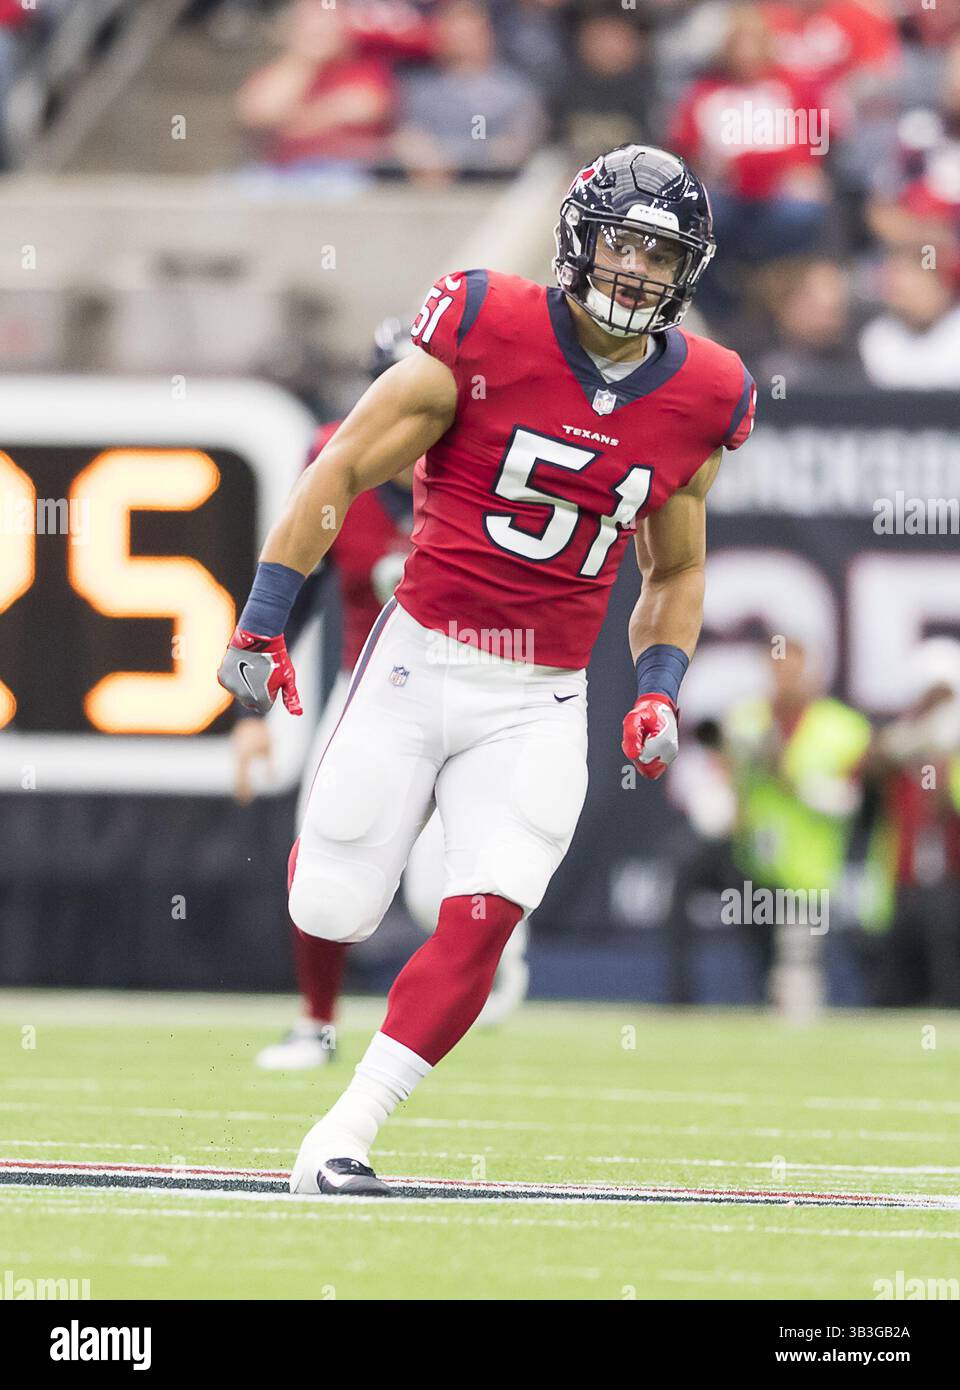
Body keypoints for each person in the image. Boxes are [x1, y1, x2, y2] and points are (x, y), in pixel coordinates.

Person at [219, 143, 757, 1196]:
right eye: (621, 244)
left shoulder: (707, 391)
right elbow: (340, 466)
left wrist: (657, 685)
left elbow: (678, 567)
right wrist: (259, 629)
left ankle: (344, 1134)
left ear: (688, 268)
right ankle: (385, 862)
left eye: (662, 255)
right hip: (417, 661)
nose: (638, 272)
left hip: (543, 694)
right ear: (576, 239)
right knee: (333, 905)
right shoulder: (483, 322)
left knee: (489, 909)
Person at [236, 321, 528, 1069]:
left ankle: (492, 975)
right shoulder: (339, 459)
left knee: (447, 886)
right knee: (326, 855)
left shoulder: (495, 467)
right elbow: (300, 577)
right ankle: (316, 1025)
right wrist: (250, 707)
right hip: (369, 685)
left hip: (475, 687)